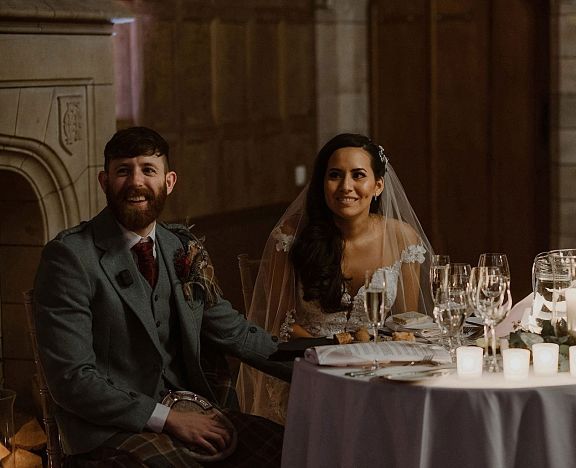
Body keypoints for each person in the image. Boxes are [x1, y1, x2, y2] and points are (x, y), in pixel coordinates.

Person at [33, 127, 283, 467]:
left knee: (289, 447)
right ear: (104, 182)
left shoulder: (180, 247)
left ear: (169, 182)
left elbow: (233, 331)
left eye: (148, 170)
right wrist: (167, 418)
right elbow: (71, 379)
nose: (136, 182)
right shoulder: (70, 257)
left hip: (194, 410)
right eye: (124, 171)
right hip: (113, 429)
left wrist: (312, 361)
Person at [236, 133, 434, 424]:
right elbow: (280, 325)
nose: (346, 187)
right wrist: (339, 351)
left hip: (377, 372)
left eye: (358, 175)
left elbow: (406, 321)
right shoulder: (291, 238)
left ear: (377, 185)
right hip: (308, 371)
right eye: (335, 175)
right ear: (322, 184)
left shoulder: (402, 238)